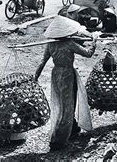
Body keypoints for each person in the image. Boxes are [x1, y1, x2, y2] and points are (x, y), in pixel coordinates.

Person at [34, 16, 96, 150]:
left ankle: (72, 128)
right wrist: (94, 42)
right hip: (67, 74)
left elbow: (42, 62)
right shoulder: (69, 44)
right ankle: (59, 139)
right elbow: (88, 53)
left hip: (56, 74)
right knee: (67, 105)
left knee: (61, 103)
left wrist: (35, 78)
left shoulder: (51, 44)